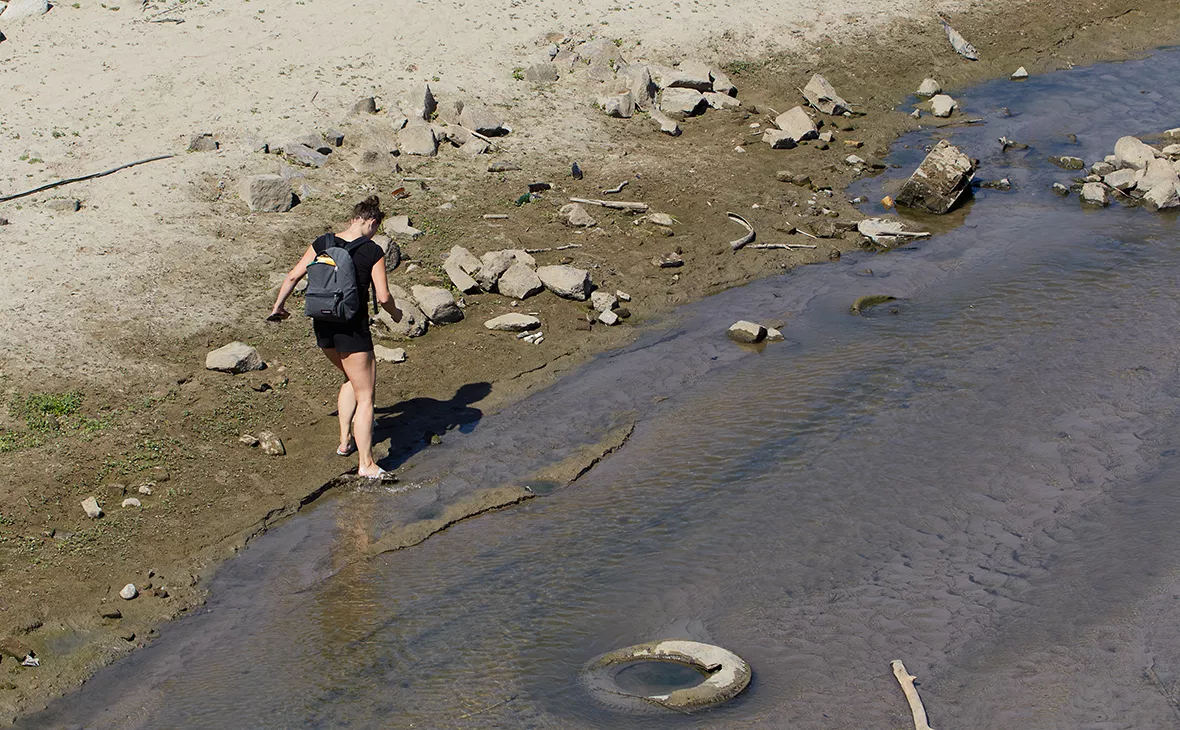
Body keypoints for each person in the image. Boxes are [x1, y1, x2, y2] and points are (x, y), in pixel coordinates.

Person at [269, 195, 402, 478]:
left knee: (351, 380)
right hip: (352, 328)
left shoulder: (323, 242)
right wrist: (396, 313)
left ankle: (345, 442)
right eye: (376, 227)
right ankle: (367, 464)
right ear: (372, 222)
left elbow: (293, 276)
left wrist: (278, 307)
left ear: (353, 217)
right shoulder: (373, 251)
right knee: (366, 395)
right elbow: (383, 296)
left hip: (323, 323)